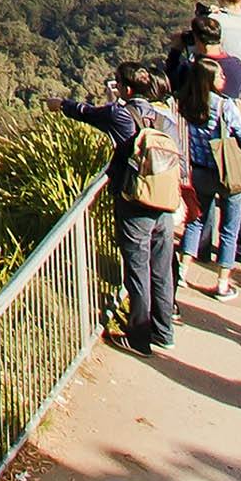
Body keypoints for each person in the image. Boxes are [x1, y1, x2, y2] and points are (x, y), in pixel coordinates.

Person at [55, 61, 187, 357]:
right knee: (162, 268)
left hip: (136, 201)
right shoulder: (165, 116)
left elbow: (86, 113)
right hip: (164, 201)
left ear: (126, 89)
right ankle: (164, 332)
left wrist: (60, 104)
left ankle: (139, 337)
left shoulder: (119, 113)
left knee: (137, 269)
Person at [183, 59, 241, 298]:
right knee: (229, 228)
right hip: (227, 172)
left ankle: (182, 272)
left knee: (195, 221)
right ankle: (223, 283)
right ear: (210, 81)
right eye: (219, 76)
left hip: (200, 171)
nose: (224, 79)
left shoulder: (186, 105)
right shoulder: (225, 106)